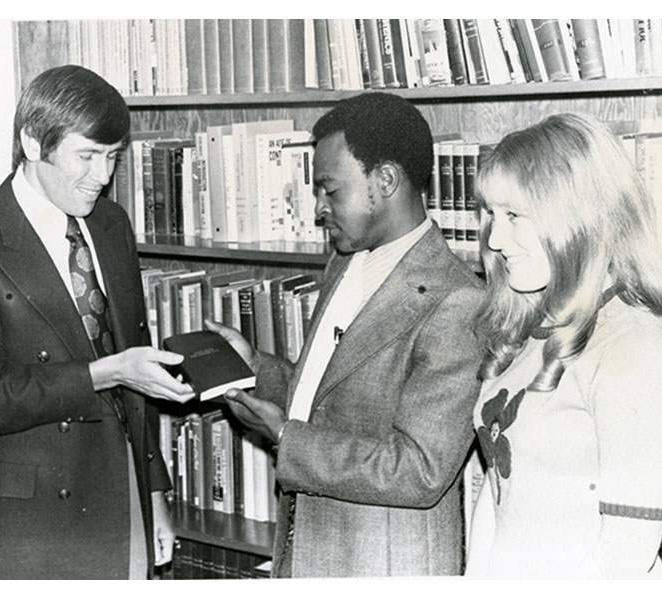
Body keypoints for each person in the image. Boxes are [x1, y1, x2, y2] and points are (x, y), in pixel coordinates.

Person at [0, 65, 196, 579]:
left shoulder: (111, 225)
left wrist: (153, 493)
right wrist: (105, 373)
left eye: (112, 156)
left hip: (119, 500)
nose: (103, 176)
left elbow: (137, 377)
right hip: (23, 528)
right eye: (86, 155)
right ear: (31, 141)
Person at [206, 92, 485, 577]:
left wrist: (287, 440)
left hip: (383, 565)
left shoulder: (458, 301)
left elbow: (420, 469)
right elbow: (332, 397)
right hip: (314, 551)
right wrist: (254, 369)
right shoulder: (345, 261)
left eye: (330, 191)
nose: (318, 209)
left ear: (386, 181)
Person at [465, 112, 662, 577]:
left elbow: (624, 557)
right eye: (491, 214)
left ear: (579, 217)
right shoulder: (542, 324)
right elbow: (499, 495)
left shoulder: (634, 349)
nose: (495, 238)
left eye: (514, 215)